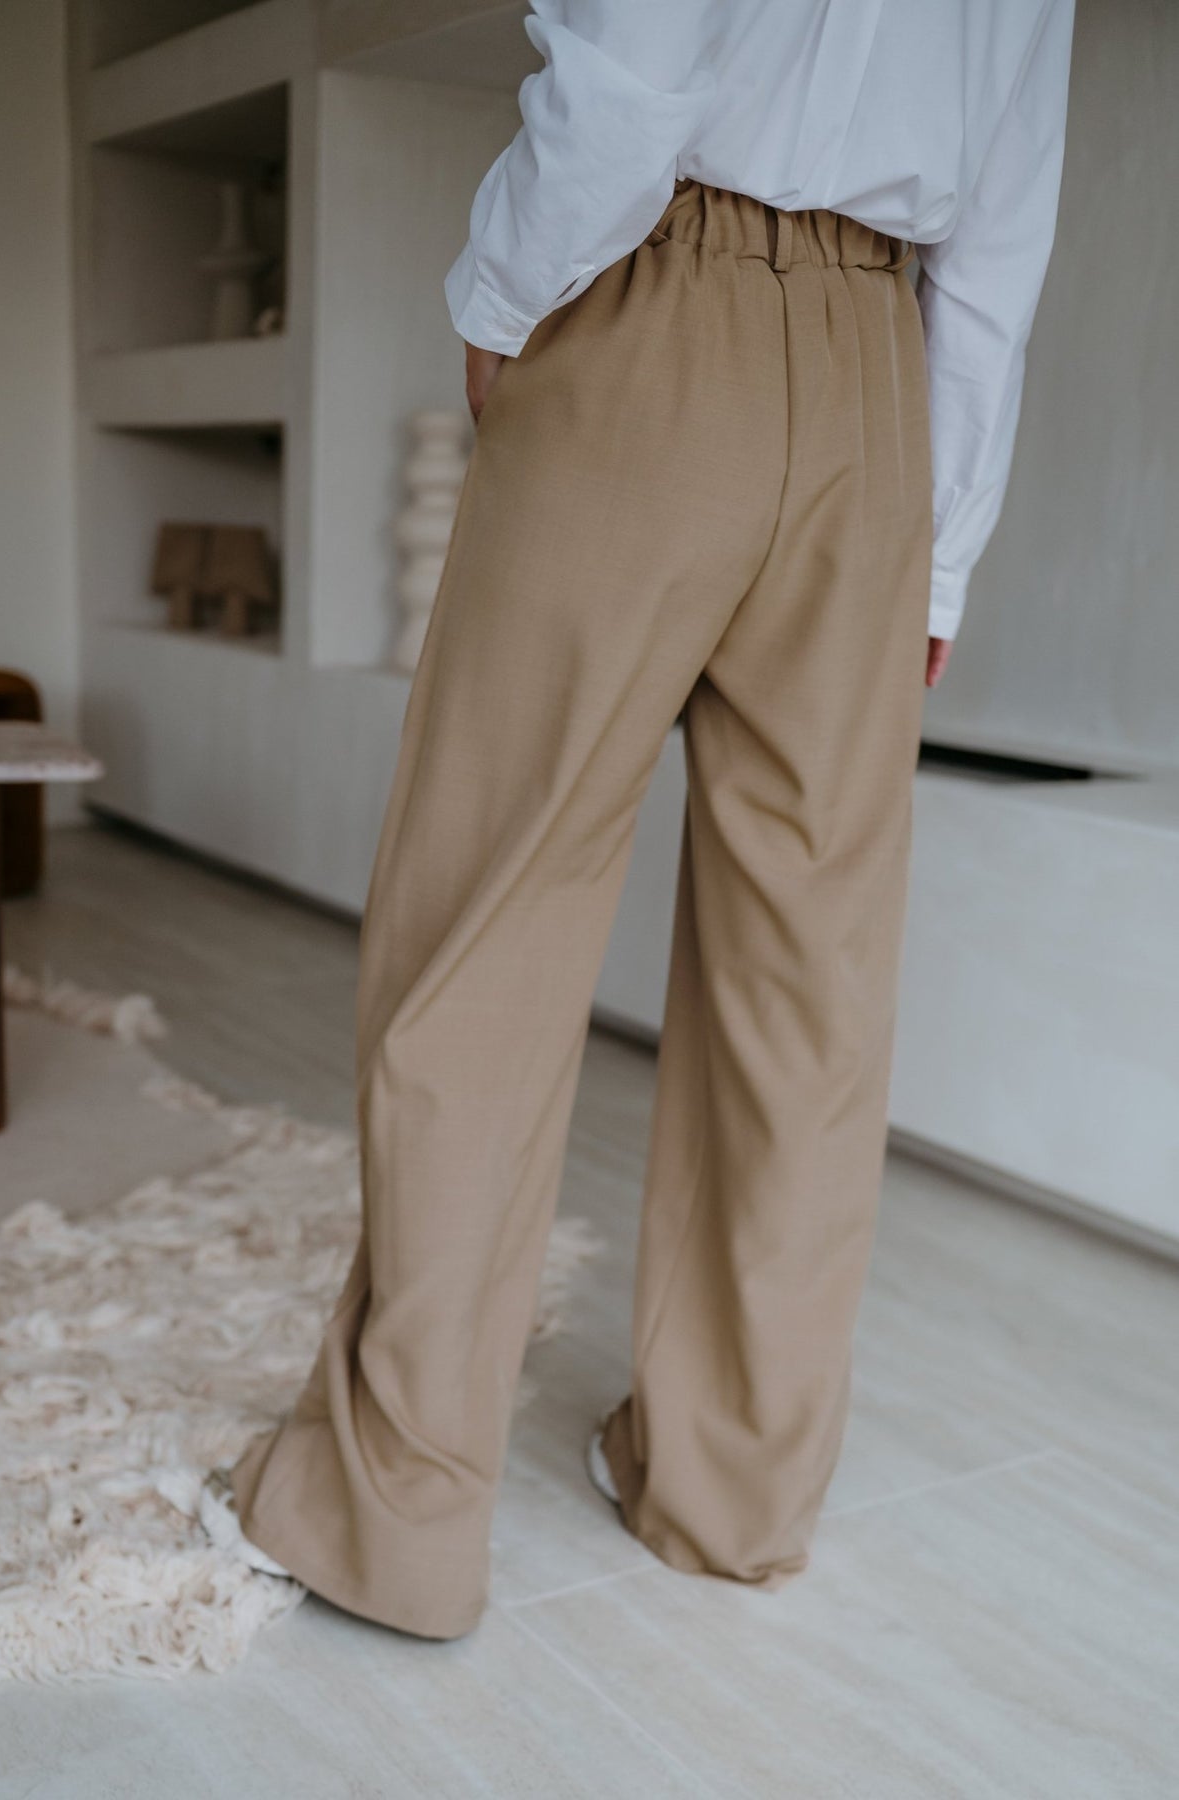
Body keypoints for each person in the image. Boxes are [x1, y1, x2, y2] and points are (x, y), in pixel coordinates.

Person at [201, 0, 1077, 1638]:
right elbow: (1009, 206)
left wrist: (506, 297)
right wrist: (941, 543)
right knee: (809, 975)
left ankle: (399, 1516)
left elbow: (637, 61)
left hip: (653, 306)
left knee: (492, 911)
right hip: (880, 371)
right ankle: (732, 1491)